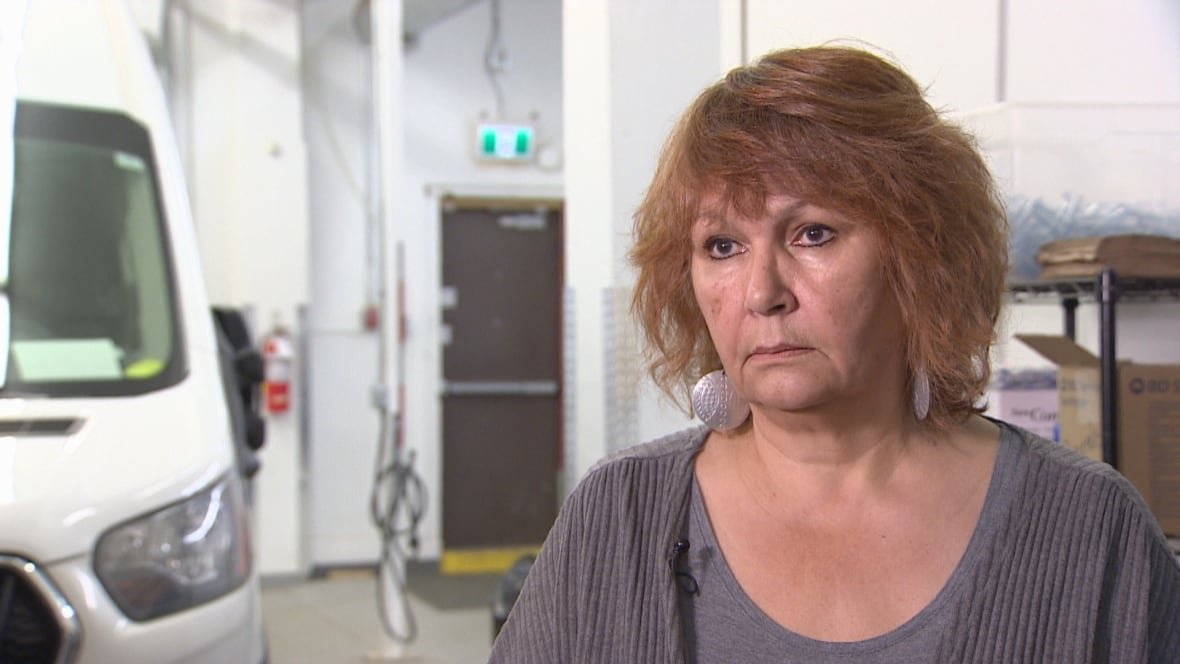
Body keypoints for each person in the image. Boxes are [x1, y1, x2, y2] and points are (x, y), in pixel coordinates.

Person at [488, 45, 1180, 663]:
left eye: (813, 233)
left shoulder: (1089, 529)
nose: (762, 292)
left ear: (918, 256)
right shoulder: (618, 516)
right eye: (722, 247)